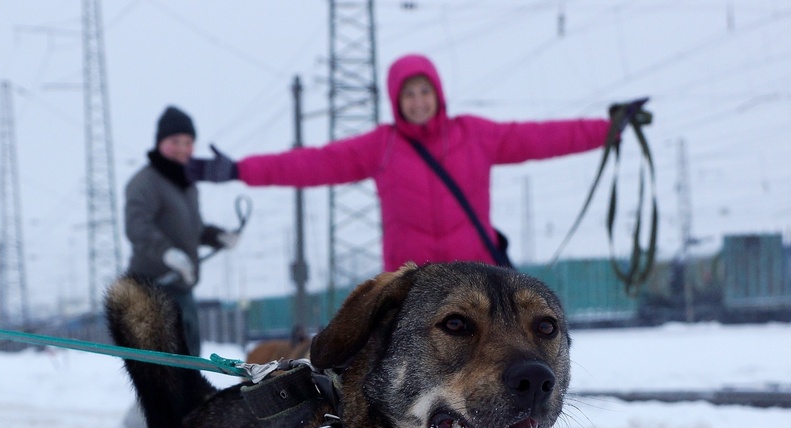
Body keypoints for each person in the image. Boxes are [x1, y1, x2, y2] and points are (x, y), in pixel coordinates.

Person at [185, 54, 623, 273]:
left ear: (437, 93)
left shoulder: (476, 135)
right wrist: (241, 169)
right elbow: (313, 164)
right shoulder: (383, 146)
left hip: (473, 273)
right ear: (397, 101)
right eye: (408, 94)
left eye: (424, 91)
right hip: (411, 280)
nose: (418, 101)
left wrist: (609, 128)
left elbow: (543, 137)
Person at [112, 105, 240, 428]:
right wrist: (168, 253)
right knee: (166, 362)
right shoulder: (145, 181)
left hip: (181, 286)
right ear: (160, 142)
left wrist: (218, 237)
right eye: (175, 141)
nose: (183, 148)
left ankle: (143, 427)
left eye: (188, 141)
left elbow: (192, 231)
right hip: (152, 284)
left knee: (184, 358)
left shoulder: (185, 184)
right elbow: (137, 226)